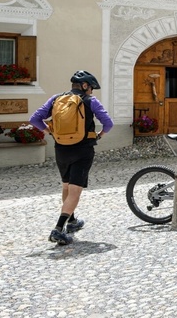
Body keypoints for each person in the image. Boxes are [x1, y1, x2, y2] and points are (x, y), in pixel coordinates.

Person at [29, 70, 114, 245]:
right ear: (85, 86)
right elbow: (108, 123)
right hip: (83, 149)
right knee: (75, 190)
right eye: (91, 88)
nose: (91, 92)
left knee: (66, 185)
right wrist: (99, 135)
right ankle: (58, 229)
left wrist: (50, 132)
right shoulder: (91, 101)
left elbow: (35, 119)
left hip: (61, 149)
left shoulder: (56, 99)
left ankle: (72, 221)